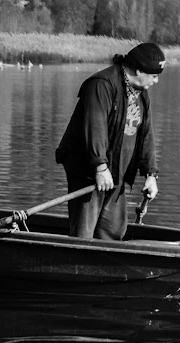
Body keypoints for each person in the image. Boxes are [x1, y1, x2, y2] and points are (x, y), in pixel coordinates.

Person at [55, 42, 165, 240]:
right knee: (83, 235)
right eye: (154, 75)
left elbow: (145, 133)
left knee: (113, 232)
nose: (156, 81)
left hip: (117, 175)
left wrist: (151, 173)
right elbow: (94, 127)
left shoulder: (141, 93)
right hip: (88, 174)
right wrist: (100, 167)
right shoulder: (102, 85)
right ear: (139, 70)